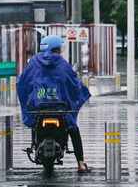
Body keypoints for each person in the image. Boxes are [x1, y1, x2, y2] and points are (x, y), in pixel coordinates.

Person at [17, 35, 91, 173]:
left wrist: (29, 98)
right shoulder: (62, 63)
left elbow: (23, 82)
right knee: (73, 129)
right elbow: (73, 83)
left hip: (39, 107)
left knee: (34, 123)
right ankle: (81, 163)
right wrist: (82, 91)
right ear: (56, 48)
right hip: (60, 108)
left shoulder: (33, 62)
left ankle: (35, 144)